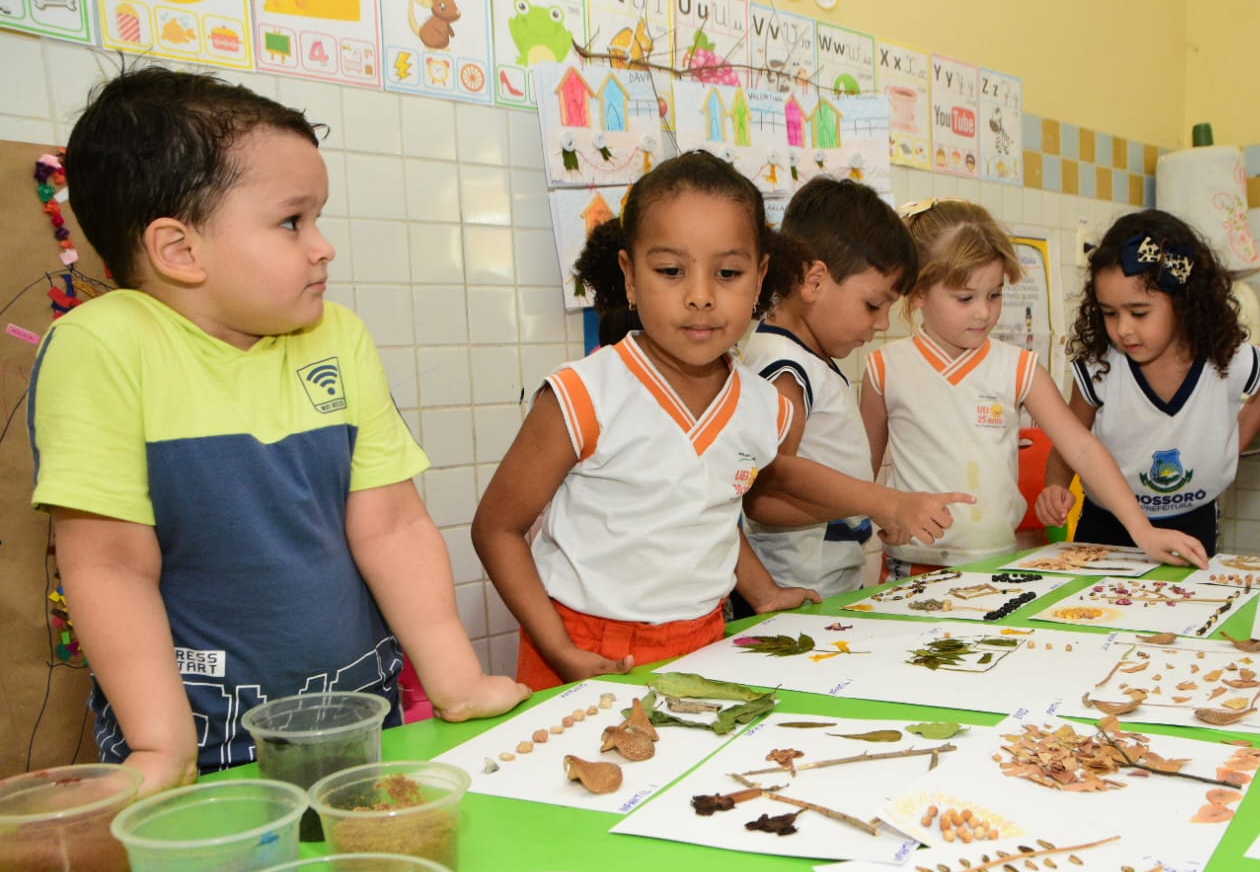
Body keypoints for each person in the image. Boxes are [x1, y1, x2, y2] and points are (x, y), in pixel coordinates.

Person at [28, 66, 527, 794]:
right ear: (180, 251)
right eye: (293, 221)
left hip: (358, 712)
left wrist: (455, 678)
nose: (322, 246)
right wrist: (162, 749)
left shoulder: (337, 335)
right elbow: (109, 564)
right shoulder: (102, 344)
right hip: (200, 731)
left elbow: (390, 524)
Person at [473, 152, 969, 691]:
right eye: (670, 271)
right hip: (581, 644)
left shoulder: (760, 404)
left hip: (703, 642)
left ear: (760, 280)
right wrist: (559, 647)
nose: (701, 295)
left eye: (728, 273)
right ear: (630, 276)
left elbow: (716, 511)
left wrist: (765, 594)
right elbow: (496, 529)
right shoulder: (584, 394)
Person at [860, 198, 1209, 577]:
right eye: (966, 298)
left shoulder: (1017, 367)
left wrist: (1143, 530)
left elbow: (1082, 448)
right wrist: (885, 509)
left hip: (996, 567)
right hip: (908, 568)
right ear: (919, 291)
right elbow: (860, 474)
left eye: (994, 295)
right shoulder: (885, 368)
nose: (983, 311)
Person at [1037, 210, 1260, 555]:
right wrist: (1055, 485)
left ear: (1184, 301)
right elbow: (1071, 443)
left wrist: (1234, 439)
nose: (1123, 329)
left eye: (1139, 312)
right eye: (1109, 313)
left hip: (1193, 524)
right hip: (1106, 528)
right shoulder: (1100, 368)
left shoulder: (1224, 361)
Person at [739, 176, 919, 603]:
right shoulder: (785, 370)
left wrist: (871, 506)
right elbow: (761, 501)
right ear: (813, 279)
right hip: (793, 596)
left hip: (824, 589)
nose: (882, 324)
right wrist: (877, 502)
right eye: (874, 305)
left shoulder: (808, 360)